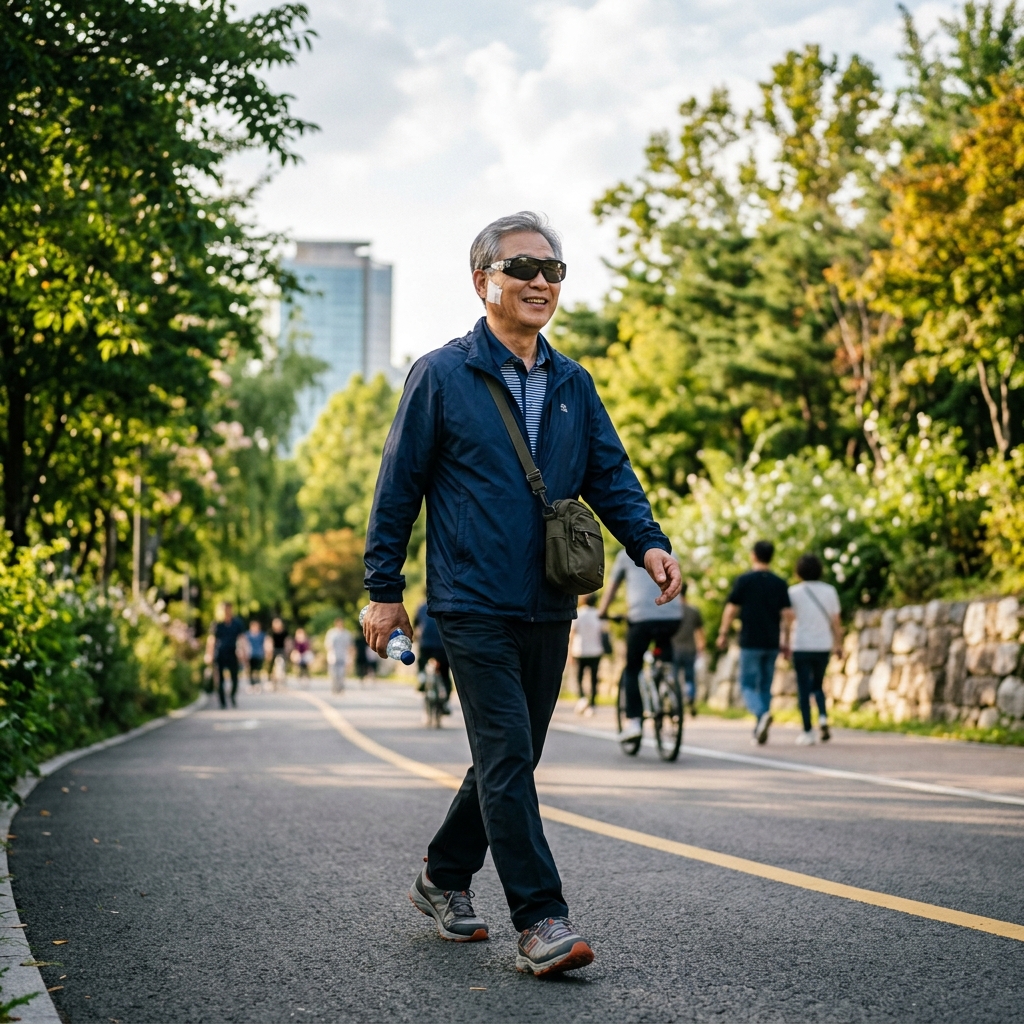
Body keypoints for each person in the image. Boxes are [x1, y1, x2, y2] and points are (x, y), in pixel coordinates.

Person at [361, 212, 680, 977]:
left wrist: (650, 543)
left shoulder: (574, 382)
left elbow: (611, 474)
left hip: (549, 601)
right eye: (524, 268)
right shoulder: (442, 374)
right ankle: (540, 919)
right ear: (484, 282)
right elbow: (397, 485)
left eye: (554, 270)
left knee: (516, 756)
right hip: (469, 603)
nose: (542, 282)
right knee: (507, 755)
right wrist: (383, 590)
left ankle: (442, 876)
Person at [598, 549, 682, 741]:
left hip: (642, 620)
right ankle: (667, 681)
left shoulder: (625, 555)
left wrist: (602, 611)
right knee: (664, 650)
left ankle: (634, 722)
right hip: (673, 618)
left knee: (632, 668)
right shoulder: (671, 552)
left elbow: (612, 587)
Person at [717, 540, 794, 745]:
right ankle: (761, 726)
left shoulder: (744, 581)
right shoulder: (779, 583)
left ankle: (762, 714)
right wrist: (786, 642)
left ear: (753, 555)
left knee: (747, 685)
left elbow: (731, 609)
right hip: (771, 642)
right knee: (765, 686)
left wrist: (723, 632)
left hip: (750, 641)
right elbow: (787, 615)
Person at [783, 553, 842, 745]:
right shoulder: (830, 591)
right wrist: (839, 644)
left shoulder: (793, 593)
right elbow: (836, 621)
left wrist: (785, 643)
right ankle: (823, 717)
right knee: (818, 684)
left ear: (798, 571)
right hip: (823, 644)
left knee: (803, 687)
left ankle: (808, 731)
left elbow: (788, 620)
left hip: (801, 644)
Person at [671, 585, 705, 715]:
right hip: (690, 650)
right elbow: (700, 633)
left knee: (673, 678)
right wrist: (701, 647)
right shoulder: (693, 611)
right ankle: (690, 697)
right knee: (689, 678)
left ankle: (675, 703)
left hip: (674, 649)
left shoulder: (671, 611)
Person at [568, 593, 604, 715]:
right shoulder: (598, 614)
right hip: (595, 651)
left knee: (579, 677)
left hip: (580, 650)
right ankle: (592, 704)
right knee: (594, 678)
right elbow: (603, 632)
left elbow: (572, 633)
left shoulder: (579, 614)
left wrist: (570, 651)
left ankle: (582, 698)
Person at [414, 601, 451, 713]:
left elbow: (416, 626)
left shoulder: (421, 607)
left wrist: (416, 638)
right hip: (443, 646)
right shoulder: (446, 605)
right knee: (445, 674)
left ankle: (422, 679)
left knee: (421, 661)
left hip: (426, 646)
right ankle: (445, 702)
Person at [211, 602, 247, 709]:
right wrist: (210, 654)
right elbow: (212, 640)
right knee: (220, 679)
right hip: (220, 653)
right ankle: (222, 701)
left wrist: (243, 652)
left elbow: (241, 638)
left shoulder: (237, 623)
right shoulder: (217, 624)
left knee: (234, 678)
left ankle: (232, 696)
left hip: (233, 653)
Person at [325, 618, 351, 694]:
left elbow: (349, 646)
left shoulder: (346, 634)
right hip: (333, 656)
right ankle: (334, 688)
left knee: (341, 673)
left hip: (343, 656)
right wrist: (330, 653)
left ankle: (341, 688)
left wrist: (349, 657)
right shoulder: (331, 633)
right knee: (333, 673)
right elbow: (328, 645)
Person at [268, 617, 290, 690]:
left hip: (282, 649)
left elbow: (287, 641)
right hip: (274, 649)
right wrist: (269, 651)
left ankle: (283, 681)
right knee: (271, 664)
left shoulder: (284, 632)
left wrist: (287, 650)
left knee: (283, 665)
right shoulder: (271, 632)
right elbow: (269, 641)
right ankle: (270, 681)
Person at [245, 620, 266, 691]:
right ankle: (251, 683)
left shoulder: (261, 635)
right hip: (250, 654)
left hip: (259, 654)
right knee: (251, 670)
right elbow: (244, 644)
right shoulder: (247, 635)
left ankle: (257, 683)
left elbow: (265, 643)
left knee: (257, 670)